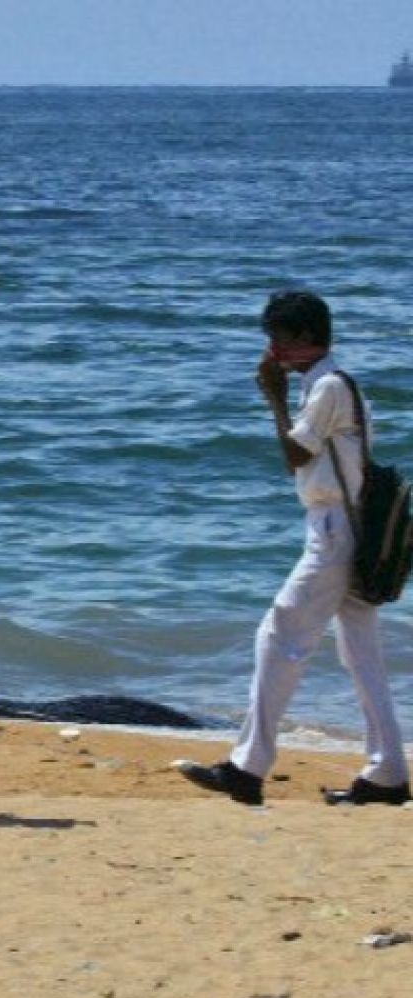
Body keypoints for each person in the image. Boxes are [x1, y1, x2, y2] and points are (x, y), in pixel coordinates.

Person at [179, 291, 410, 807]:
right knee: (361, 654)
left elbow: (293, 455)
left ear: (305, 337)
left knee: (278, 634)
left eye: (278, 339)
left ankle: (247, 767)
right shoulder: (330, 383)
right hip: (347, 527)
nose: (272, 349)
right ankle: (388, 772)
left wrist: (274, 397)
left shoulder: (327, 386)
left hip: (335, 532)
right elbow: (306, 460)